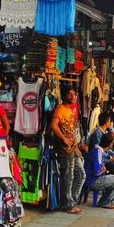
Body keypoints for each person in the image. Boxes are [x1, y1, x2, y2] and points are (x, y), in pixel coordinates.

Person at [50, 86, 86, 214]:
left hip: (72, 149)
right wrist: (63, 138)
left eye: (74, 94)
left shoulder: (71, 110)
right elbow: (53, 126)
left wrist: (76, 147)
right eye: (70, 94)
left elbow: (72, 130)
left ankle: (73, 200)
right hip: (64, 150)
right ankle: (67, 204)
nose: (73, 96)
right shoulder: (60, 109)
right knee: (68, 176)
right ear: (65, 96)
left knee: (81, 174)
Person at [84, 133, 114, 209]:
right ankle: (104, 202)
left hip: (96, 178)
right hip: (92, 181)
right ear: (110, 144)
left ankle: (110, 200)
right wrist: (104, 169)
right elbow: (96, 171)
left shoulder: (99, 151)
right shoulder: (97, 152)